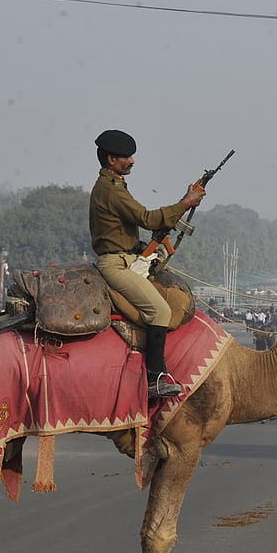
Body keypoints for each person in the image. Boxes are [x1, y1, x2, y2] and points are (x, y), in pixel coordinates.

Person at [89, 129, 207, 399]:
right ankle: (155, 379)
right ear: (110, 160)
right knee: (161, 313)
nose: (131, 161)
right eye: (126, 157)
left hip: (130, 258)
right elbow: (149, 219)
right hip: (115, 265)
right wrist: (185, 202)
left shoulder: (116, 184)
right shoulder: (110, 191)